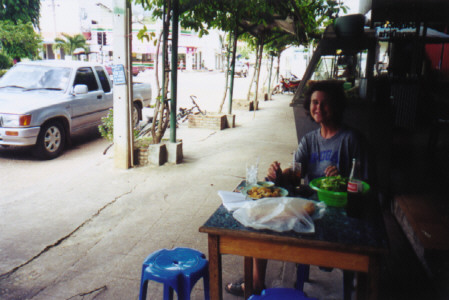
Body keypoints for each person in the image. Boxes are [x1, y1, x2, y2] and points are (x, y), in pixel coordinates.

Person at [225, 80, 368, 297]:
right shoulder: (310, 140)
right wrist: (278, 173)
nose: (318, 108)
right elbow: (296, 172)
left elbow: (364, 183)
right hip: (309, 208)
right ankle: (256, 283)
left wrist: (341, 181)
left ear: (336, 106)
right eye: (314, 102)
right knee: (260, 218)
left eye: (324, 103)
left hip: (340, 213)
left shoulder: (350, 139)